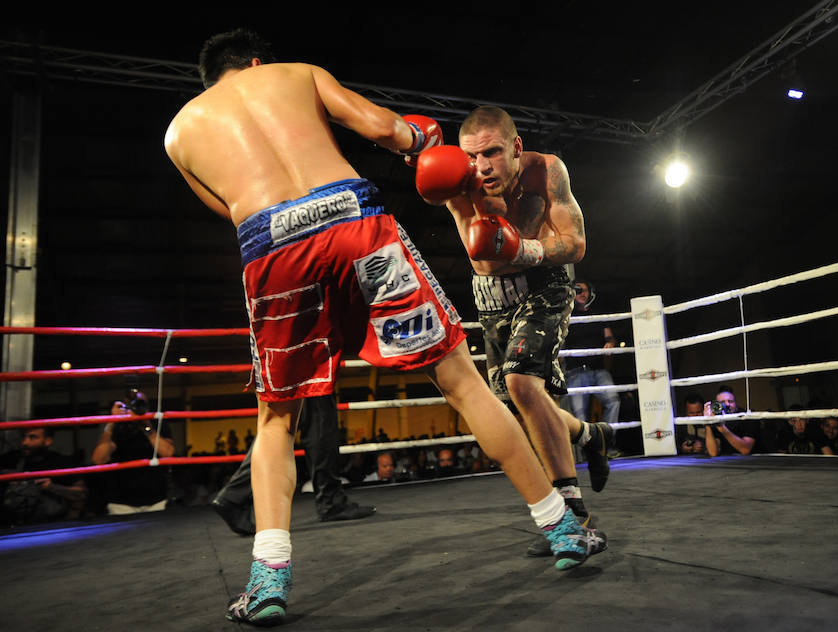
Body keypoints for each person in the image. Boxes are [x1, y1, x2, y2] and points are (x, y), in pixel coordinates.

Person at [165, 29, 605, 626]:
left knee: (275, 418)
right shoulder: (296, 73)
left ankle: (268, 579)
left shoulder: (179, 134)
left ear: (210, 79)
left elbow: (226, 207)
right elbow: (385, 130)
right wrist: (418, 138)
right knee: (461, 380)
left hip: (270, 248)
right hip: (355, 222)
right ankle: (562, 529)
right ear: (256, 62)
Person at [422, 105, 614, 558]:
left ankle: (572, 511)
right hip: (492, 295)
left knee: (521, 382)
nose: (481, 166)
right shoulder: (458, 181)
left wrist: (524, 246)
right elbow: (483, 260)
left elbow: (577, 244)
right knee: (518, 407)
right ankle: (589, 435)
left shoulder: (546, 172)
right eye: (472, 156)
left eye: (491, 152)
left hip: (546, 283)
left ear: (516, 147)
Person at [211, 394, 375, 536]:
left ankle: (234, 496)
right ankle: (234, 496)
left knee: (288, 420)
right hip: (308, 361)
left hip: (287, 361)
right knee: (307, 418)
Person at [91, 390, 175, 513]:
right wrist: (111, 422)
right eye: (131, 405)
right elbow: (99, 459)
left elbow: (168, 453)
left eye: (140, 404)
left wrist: (147, 428)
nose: (135, 408)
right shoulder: (117, 427)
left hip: (156, 500)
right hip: (121, 502)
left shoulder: (156, 423)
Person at [0, 427, 86, 526]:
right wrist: (6, 475)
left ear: (47, 441)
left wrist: (51, 487)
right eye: (23, 437)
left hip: (49, 525)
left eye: (32, 437)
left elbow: (81, 494)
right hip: (11, 525)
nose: (25, 442)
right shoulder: (10, 459)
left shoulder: (61, 463)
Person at [563, 279, 621, 426]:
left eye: (585, 290)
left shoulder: (598, 315)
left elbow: (610, 337)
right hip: (575, 372)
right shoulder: (566, 317)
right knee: (580, 417)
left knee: (614, 401)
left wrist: (610, 343)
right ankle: (586, 448)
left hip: (598, 369)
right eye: (578, 290)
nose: (583, 293)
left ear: (591, 293)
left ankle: (606, 444)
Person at [702, 385, 758, 456]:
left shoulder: (748, 417)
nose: (727, 404)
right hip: (727, 463)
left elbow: (745, 450)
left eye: (730, 401)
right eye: (722, 402)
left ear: (736, 403)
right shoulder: (716, 419)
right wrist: (707, 423)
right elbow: (713, 452)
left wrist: (721, 427)